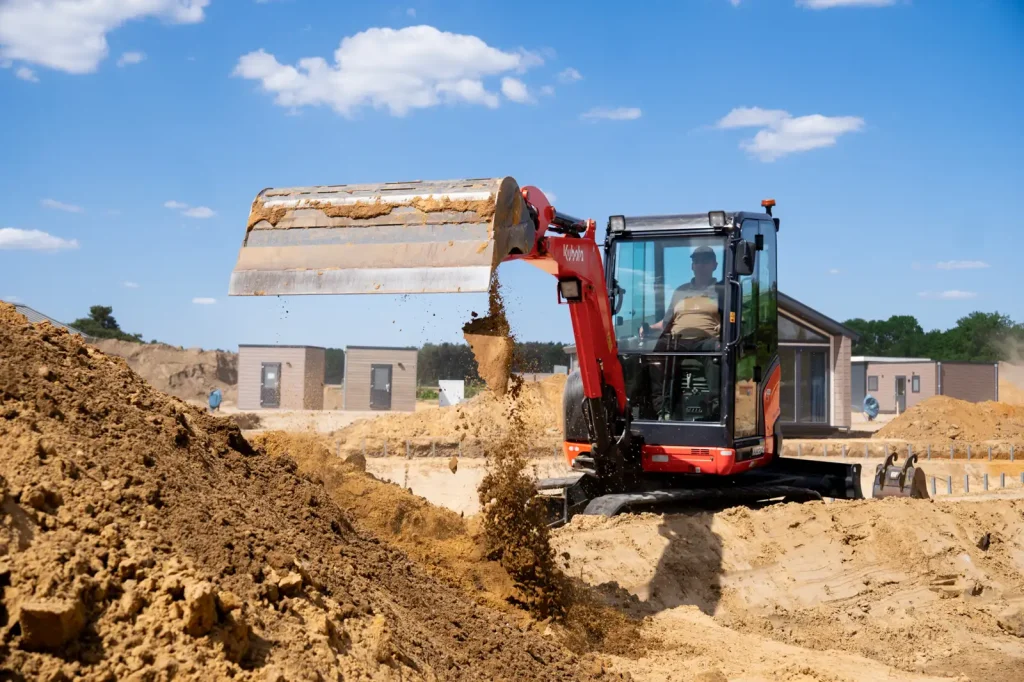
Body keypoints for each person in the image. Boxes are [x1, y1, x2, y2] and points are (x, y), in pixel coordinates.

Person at [639, 245, 724, 420]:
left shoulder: (723, 290)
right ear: (692, 266)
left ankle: (716, 409)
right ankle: (663, 410)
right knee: (656, 354)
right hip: (677, 340)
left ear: (714, 265)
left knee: (718, 352)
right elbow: (665, 322)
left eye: (705, 261)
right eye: (697, 261)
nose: (701, 265)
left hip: (707, 340)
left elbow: (733, 318)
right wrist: (647, 328)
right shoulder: (681, 291)